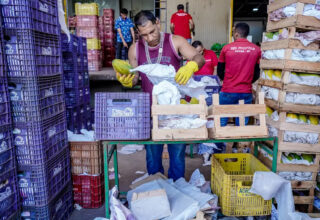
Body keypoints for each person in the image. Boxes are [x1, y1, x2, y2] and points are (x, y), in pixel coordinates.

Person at [115, 10, 205, 181]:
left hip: (176, 111)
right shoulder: (134, 50)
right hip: (152, 112)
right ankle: (156, 188)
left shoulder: (175, 41)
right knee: (152, 156)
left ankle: (177, 185)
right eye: (144, 35)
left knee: (177, 155)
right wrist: (127, 81)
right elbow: (135, 78)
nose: (149, 38)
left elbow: (198, 57)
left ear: (157, 23)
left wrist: (190, 66)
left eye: (152, 32)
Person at [217, 22, 261, 126]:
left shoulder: (226, 48)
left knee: (221, 122)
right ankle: (237, 141)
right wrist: (248, 81)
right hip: (245, 92)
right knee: (241, 124)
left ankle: (221, 142)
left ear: (236, 34)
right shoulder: (256, 49)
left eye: (233, 32)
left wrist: (228, 81)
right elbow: (257, 72)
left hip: (228, 90)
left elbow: (219, 70)